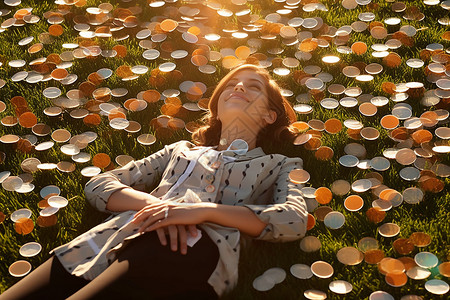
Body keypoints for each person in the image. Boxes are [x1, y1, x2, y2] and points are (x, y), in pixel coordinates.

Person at [0, 63, 308, 299]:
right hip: (109, 238)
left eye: (253, 86)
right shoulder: (181, 150)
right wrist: (160, 208)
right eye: (231, 84)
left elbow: (293, 220)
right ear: (217, 107)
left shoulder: (280, 164)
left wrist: (201, 212)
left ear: (269, 115)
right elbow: (101, 185)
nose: (239, 86)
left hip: (192, 246)